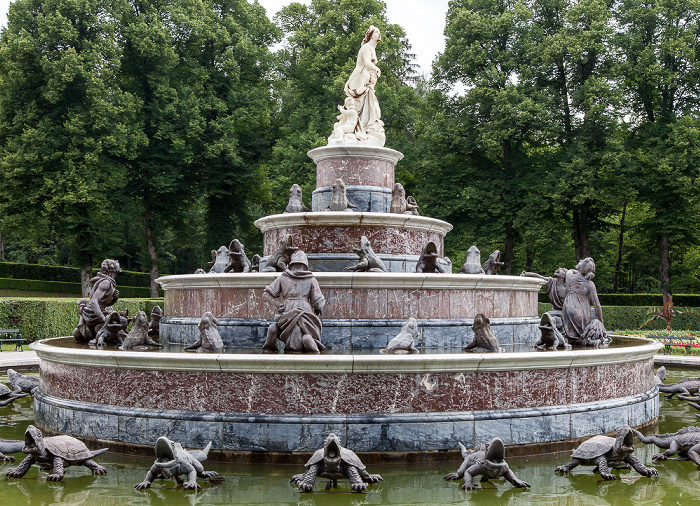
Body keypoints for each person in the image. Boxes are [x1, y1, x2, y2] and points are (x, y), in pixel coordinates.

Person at [262, 251, 326, 352]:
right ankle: (310, 344)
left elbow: (266, 294)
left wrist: (279, 305)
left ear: (291, 264)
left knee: (276, 328)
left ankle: (271, 347)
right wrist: (319, 308)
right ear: (305, 264)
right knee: (305, 332)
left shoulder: (283, 277)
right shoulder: (311, 279)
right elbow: (317, 302)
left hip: (287, 309)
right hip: (304, 311)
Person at [343, 25, 385, 144]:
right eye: (377, 32)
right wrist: (377, 69)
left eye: (379, 32)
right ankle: (352, 129)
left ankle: (365, 128)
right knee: (357, 104)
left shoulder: (372, 48)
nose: (379, 34)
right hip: (359, 77)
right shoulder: (366, 47)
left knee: (371, 104)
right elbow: (366, 63)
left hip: (365, 80)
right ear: (371, 35)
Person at [73, 259, 121, 342]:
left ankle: (94, 336)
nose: (118, 263)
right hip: (93, 314)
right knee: (120, 322)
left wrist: (115, 298)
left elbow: (104, 304)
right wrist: (103, 317)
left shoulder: (109, 282)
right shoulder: (106, 282)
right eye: (116, 263)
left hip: (97, 312)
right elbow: (93, 301)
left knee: (113, 322)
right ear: (112, 269)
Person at [561, 257, 604, 340]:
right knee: (585, 333)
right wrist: (601, 321)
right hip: (582, 313)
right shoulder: (590, 284)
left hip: (568, 309)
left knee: (572, 336)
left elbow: (570, 270)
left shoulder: (570, 277)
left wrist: (578, 270)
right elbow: (597, 305)